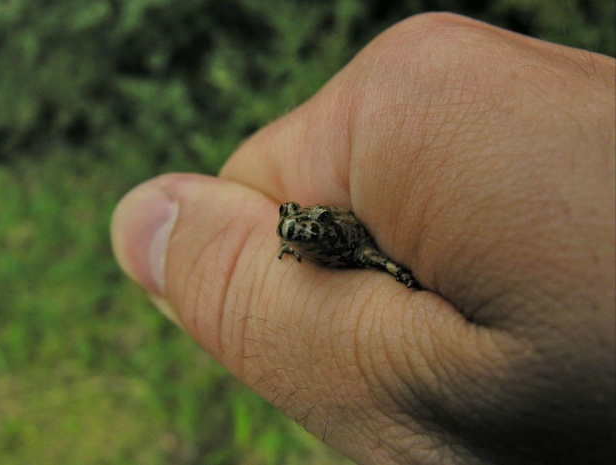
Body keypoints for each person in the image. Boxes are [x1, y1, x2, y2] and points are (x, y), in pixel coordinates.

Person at [111, 13, 615, 465]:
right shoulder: (296, 235)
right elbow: (296, 229)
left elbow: (385, 263)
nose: (295, 228)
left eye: (307, 228)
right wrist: (292, 240)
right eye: (291, 223)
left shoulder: (352, 245)